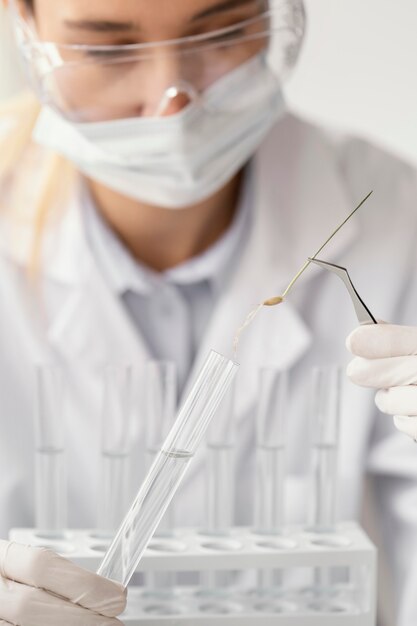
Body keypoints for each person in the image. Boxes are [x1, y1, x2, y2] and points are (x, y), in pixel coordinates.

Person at [0, 0, 416, 623]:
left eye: (219, 31)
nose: (172, 102)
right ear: (22, 23)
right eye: (108, 48)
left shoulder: (398, 217)